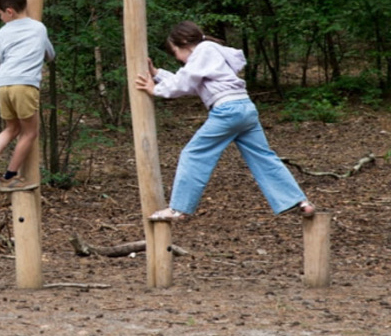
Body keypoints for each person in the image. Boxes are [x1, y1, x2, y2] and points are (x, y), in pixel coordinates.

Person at [133, 21, 315, 221]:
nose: (177, 58)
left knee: (193, 154)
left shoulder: (203, 51)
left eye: (175, 51)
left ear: (184, 42)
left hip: (228, 111)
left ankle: (179, 208)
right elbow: (191, 83)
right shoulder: (211, 53)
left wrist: (155, 90)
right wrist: (157, 74)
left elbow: (184, 82)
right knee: (263, 156)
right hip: (245, 108)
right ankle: (299, 201)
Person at [0, 0, 55, 193]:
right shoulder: (39, 28)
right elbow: (50, 55)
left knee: (11, 129)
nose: (0, 17)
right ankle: (10, 176)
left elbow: (2, 58)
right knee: (29, 133)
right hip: (24, 84)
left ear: (9, 12)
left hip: (2, 83)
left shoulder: (2, 33)